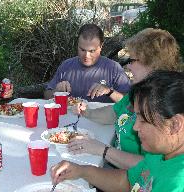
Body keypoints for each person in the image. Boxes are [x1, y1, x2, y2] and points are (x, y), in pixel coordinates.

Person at [51, 70, 184, 192]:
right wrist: (81, 171)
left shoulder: (175, 183)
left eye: (143, 121)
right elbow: (127, 181)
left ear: (174, 124)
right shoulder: (160, 154)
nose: (135, 127)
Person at [69, 28, 183, 169]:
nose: (128, 65)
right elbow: (114, 112)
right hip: (114, 163)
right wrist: (86, 112)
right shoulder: (139, 92)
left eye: (132, 60)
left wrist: (102, 150)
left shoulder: (163, 104)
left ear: (151, 63)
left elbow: (151, 167)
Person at [44, 23, 130, 103]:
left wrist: (109, 91)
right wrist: (55, 91)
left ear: (101, 46)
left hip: (102, 118)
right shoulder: (66, 66)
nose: (86, 56)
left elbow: (129, 101)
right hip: (70, 117)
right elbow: (46, 95)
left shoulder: (114, 68)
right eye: (82, 50)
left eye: (92, 51)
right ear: (77, 45)